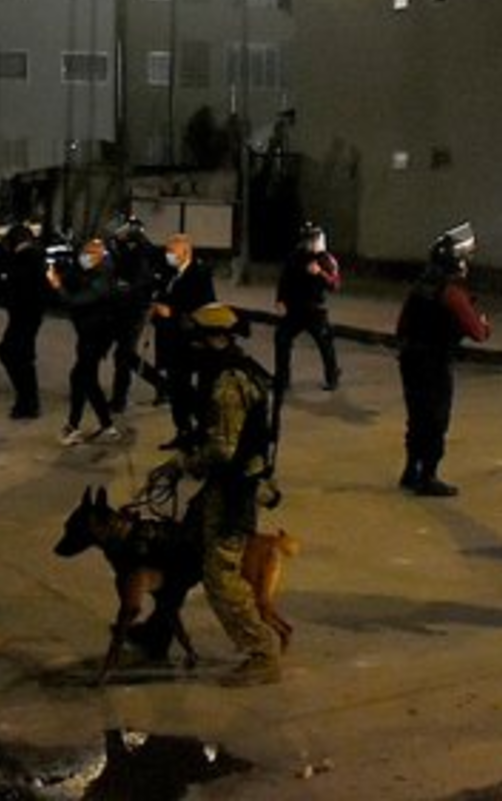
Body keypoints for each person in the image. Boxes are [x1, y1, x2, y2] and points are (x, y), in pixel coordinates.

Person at [147, 303, 283, 685]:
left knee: (220, 575)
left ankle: (262, 654)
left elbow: (223, 449)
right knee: (183, 551)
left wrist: (181, 464)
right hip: (226, 484)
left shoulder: (226, 383)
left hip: (234, 489)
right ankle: (158, 631)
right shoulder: (235, 370)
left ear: (211, 338)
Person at [394, 226, 490, 497]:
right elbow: (477, 331)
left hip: (410, 358)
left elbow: (402, 323)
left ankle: (411, 470)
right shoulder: (451, 293)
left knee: (416, 416)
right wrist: (484, 325)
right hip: (435, 361)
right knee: (436, 419)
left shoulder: (422, 285)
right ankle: (429, 475)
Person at [47, 237, 122, 445]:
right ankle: (106, 425)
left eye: (89, 253)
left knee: (82, 378)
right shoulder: (92, 272)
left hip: (96, 335)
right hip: (89, 334)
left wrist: (56, 285)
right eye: (84, 252)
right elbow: (73, 280)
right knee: (85, 378)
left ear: (100, 255)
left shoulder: (103, 278)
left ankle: (75, 426)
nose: (84, 257)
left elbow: (76, 301)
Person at [151, 232, 217, 442]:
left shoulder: (199, 274)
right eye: (167, 251)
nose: (168, 255)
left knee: (185, 388)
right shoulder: (169, 273)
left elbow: (205, 306)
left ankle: (203, 427)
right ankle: (182, 430)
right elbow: (161, 295)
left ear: (185, 252)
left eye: (172, 251)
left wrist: (174, 312)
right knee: (175, 388)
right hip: (169, 338)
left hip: (189, 340)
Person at [273, 222, 343, 400]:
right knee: (282, 340)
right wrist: (280, 300)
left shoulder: (326, 259)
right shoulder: (295, 256)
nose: (309, 243)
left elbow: (335, 285)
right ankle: (282, 379)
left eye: (313, 239)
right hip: (294, 309)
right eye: (307, 239)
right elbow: (284, 279)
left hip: (315, 310)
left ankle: (332, 376)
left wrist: (320, 273)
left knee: (325, 343)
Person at [0, 224, 47, 420]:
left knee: (15, 355)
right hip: (24, 314)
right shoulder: (27, 258)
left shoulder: (30, 259)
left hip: (26, 314)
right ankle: (27, 401)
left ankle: (28, 402)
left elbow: (18, 285)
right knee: (16, 355)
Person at [104, 217, 158, 415]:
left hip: (135, 308)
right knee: (127, 355)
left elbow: (139, 281)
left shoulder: (141, 252)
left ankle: (119, 399)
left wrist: (123, 288)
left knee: (124, 355)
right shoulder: (125, 248)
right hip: (123, 307)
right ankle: (162, 385)